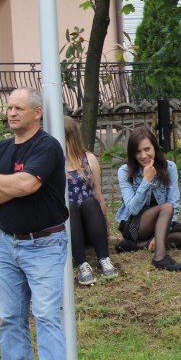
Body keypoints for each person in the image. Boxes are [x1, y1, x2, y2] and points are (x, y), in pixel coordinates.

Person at [0, 88, 69, 360]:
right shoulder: (1, 149)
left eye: (19, 108)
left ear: (37, 112)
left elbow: (29, 185)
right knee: (9, 318)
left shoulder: (47, 146)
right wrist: (14, 184)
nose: (11, 112)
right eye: (9, 107)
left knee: (45, 315)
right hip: (7, 244)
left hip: (45, 244)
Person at [115, 127, 181, 271]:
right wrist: (146, 180)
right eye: (138, 151)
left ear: (154, 148)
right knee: (167, 207)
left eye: (147, 149)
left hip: (162, 222)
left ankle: (137, 245)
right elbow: (132, 210)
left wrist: (161, 235)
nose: (143, 155)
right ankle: (159, 257)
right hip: (135, 224)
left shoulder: (169, 167)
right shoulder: (125, 171)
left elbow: (174, 202)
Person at [64, 116, 117, 286]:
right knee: (69, 206)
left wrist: (105, 223)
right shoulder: (54, 162)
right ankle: (82, 264)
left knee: (90, 202)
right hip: (68, 228)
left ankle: (104, 259)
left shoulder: (88, 159)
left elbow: (98, 195)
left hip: (90, 225)